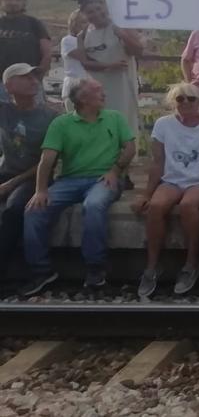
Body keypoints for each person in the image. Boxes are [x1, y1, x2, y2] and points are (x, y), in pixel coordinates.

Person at [21, 78, 135, 295]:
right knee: (34, 210)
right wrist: (40, 190)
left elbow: (130, 148)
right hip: (69, 180)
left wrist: (115, 170)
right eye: (97, 90)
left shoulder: (114, 118)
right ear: (83, 99)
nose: (103, 93)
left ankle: (95, 269)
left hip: (104, 178)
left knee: (93, 205)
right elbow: (47, 160)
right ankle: (41, 272)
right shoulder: (61, 124)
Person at [131, 83, 199, 298]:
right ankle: (152, 266)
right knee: (155, 206)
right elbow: (157, 162)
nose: (185, 103)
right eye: (180, 99)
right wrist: (146, 193)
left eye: (191, 99)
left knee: (188, 206)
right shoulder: (163, 124)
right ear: (173, 102)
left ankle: (192, 263)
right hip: (172, 180)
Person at [0, 64, 58, 278]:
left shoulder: (50, 117)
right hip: (7, 171)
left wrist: (10, 184)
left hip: (34, 176)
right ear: (8, 86)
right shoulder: (5, 110)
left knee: (14, 209)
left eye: (34, 76)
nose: (33, 80)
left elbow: (48, 162)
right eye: (24, 77)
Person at [72, 0, 142, 139]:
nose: (97, 14)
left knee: (123, 119)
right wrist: (109, 65)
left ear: (105, 7)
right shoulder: (83, 35)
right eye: (90, 12)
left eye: (99, 9)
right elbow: (85, 63)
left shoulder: (120, 26)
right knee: (100, 120)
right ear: (84, 15)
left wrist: (123, 35)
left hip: (122, 85)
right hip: (98, 88)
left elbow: (138, 50)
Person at [0, 0, 51, 103]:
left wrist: (37, 78)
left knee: (33, 118)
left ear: (24, 2)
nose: (13, 2)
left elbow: (47, 53)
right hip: (1, 85)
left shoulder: (34, 24)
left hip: (30, 83)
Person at [59, 7, 90, 111]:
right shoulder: (68, 40)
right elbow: (82, 56)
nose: (87, 25)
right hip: (74, 83)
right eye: (83, 22)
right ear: (74, 24)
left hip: (90, 84)